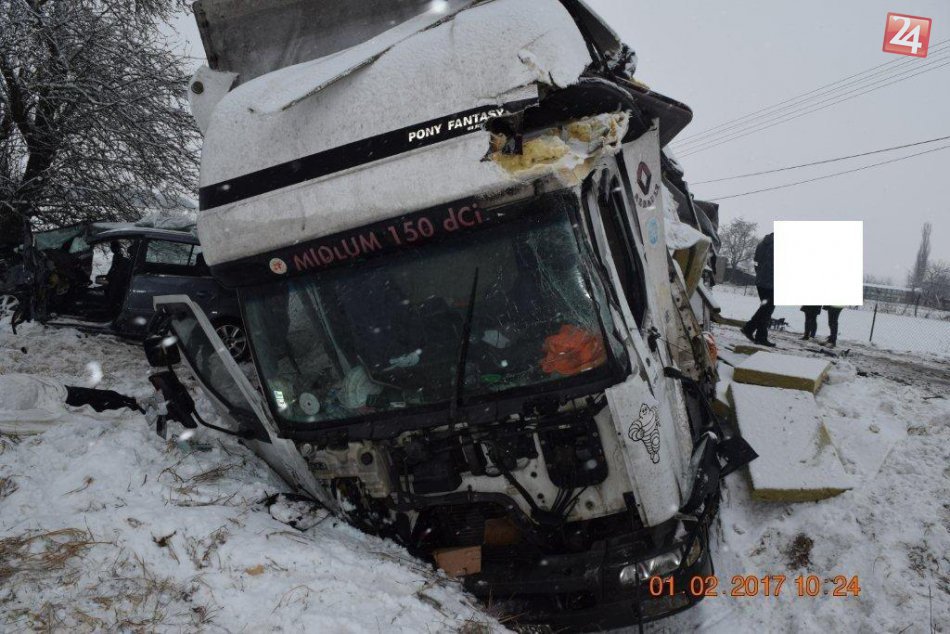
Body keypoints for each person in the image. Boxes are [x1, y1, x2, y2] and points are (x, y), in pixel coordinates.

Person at [741, 233, 776, 347]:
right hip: (771, 283)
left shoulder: (762, 243)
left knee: (765, 308)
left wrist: (760, 273)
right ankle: (757, 334)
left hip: (761, 281)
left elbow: (756, 261)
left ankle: (751, 329)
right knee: (767, 309)